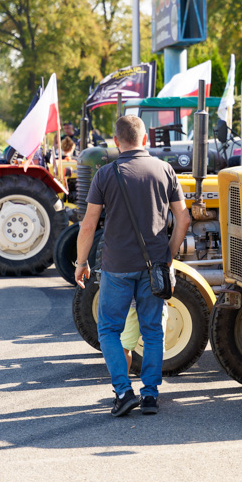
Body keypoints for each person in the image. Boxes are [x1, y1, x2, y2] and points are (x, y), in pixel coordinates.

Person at [75, 115, 190, 417]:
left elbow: (88, 225)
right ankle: (150, 395)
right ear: (145, 139)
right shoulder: (164, 169)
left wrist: (81, 262)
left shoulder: (105, 174)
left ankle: (124, 391)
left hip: (116, 266)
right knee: (153, 331)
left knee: (109, 330)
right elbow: (184, 218)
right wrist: (169, 255)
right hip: (154, 264)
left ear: (116, 141)